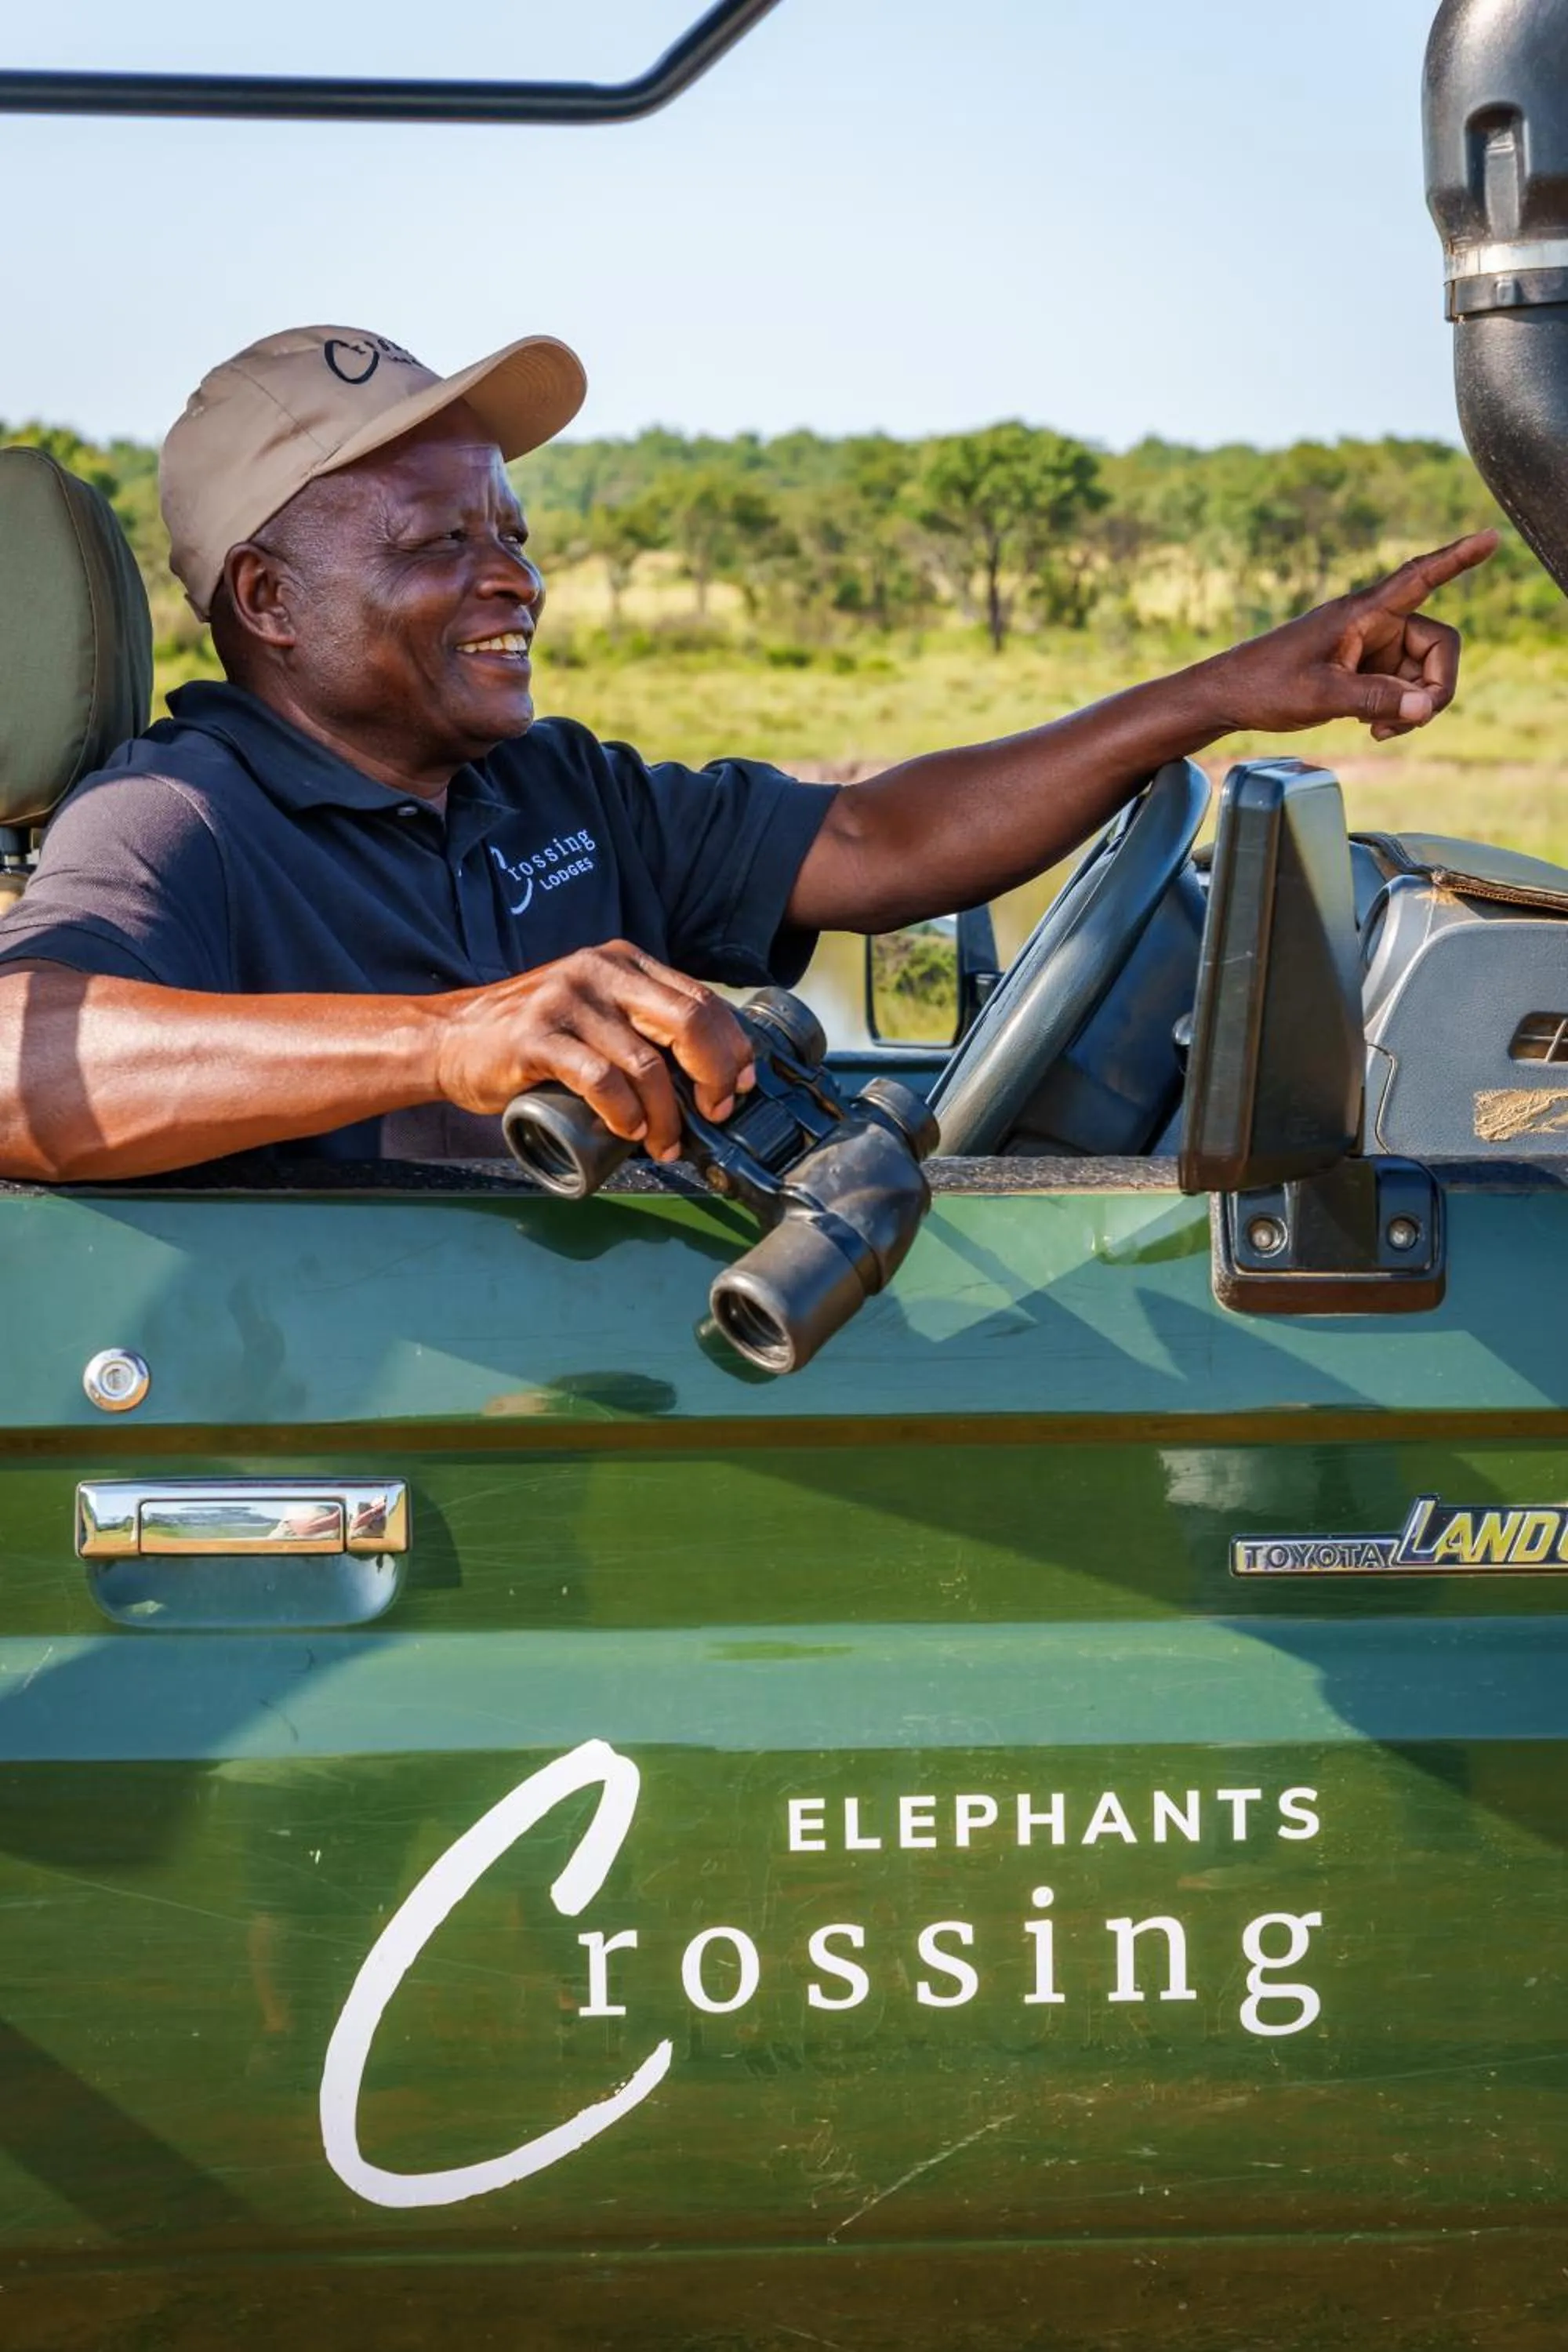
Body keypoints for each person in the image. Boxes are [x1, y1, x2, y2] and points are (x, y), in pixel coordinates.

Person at [0, 323, 1495, 1181]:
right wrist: (447, 1039)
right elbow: (18, 1067)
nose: (514, 577)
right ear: (267, 602)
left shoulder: (546, 788)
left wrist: (1222, 690)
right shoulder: (174, 819)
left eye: (511, 534)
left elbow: (882, 842)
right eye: (437, 543)